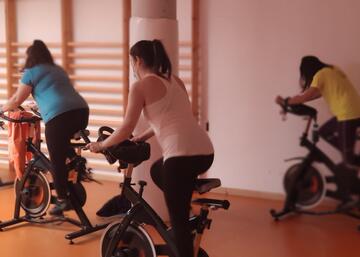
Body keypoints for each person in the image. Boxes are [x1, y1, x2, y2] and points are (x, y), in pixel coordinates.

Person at [87, 39, 214, 257]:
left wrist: (100, 145)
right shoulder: (176, 81)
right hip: (205, 152)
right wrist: (141, 138)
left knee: (178, 221)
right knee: (158, 170)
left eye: (132, 62)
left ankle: (183, 223)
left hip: (181, 156)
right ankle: (183, 206)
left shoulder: (140, 86)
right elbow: (171, 120)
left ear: (137, 61)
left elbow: (126, 127)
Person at [0, 40, 89, 216]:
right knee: (62, 148)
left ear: (30, 57)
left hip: (60, 117)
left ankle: (63, 199)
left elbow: (17, 99)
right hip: (81, 112)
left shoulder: (30, 72)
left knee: (56, 158)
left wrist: (1, 109)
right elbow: (56, 93)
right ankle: (75, 161)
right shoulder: (57, 70)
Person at [276, 55, 360, 168]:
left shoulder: (320, 75)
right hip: (352, 110)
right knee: (324, 132)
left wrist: (287, 101)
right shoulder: (333, 69)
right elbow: (316, 93)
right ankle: (348, 148)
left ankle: (349, 156)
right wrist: (295, 100)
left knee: (349, 161)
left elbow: (307, 96)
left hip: (347, 114)